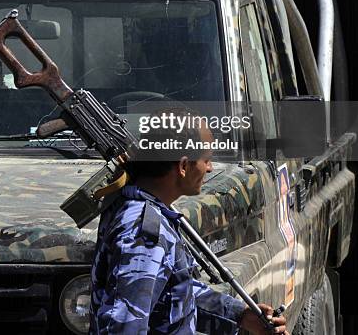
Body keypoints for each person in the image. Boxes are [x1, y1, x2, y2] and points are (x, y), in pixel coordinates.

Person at [88, 116, 288, 334]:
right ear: (183, 165)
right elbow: (124, 326)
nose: (210, 168)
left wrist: (239, 315)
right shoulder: (144, 234)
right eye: (206, 160)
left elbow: (172, 294)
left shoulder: (147, 211)